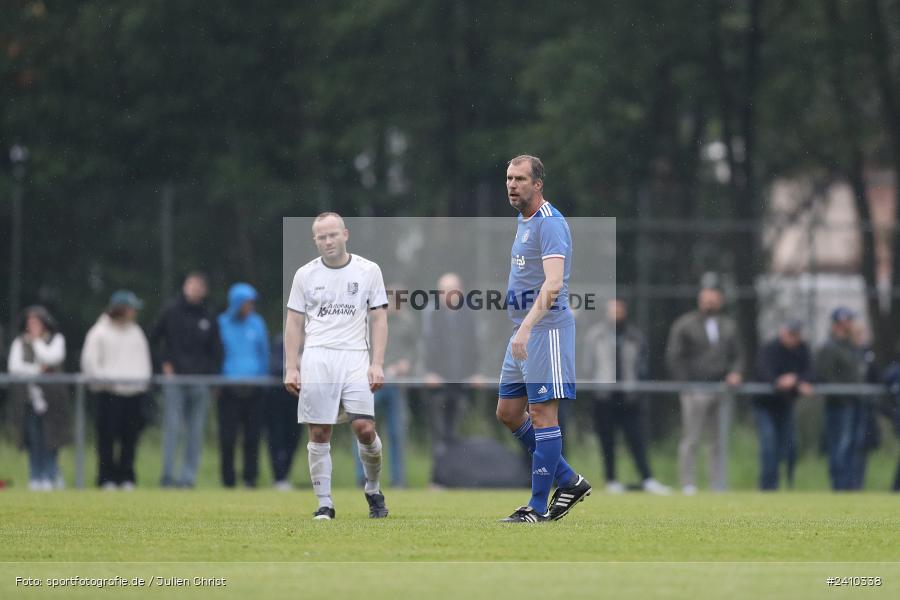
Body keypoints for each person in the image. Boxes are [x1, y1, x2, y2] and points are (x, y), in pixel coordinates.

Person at [494, 155, 591, 523]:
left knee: (542, 415)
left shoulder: (550, 223)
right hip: (524, 332)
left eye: (520, 178)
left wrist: (527, 326)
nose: (512, 184)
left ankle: (535, 507)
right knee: (508, 412)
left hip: (545, 331)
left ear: (538, 184)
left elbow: (553, 284)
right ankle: (567, 479)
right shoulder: (524, 220)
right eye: (508, 178)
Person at [284, 212, 390, 519]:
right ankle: (325, 503)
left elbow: (380, 317)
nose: (328, 241)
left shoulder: (368, 270)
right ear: (315, 240)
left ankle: (372, 487)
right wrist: (292, 367)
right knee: (319, 431)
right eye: (322, 237)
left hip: (356, 354)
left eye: (333, 235)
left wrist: (377, 363)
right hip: (317, 356)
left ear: (345, 234)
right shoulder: (305, 275)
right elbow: (294, 320)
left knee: (364, 427)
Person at [582, 298, 670, 495]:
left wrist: (637, 385)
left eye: (619, 310)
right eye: (613, 310)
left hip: (630, 398)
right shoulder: (596, 335)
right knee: (607, 441)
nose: (616, 314)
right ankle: (611, 479)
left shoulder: (634, 336)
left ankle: (647, 478)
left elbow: (643, 365)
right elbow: (588, 365)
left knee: (637, 439)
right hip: (604, 397)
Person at [666, 284, 745, 494]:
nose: (710, 303)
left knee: (718, 440)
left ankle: (717, 483)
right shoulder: (685, 324)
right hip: (695, 389)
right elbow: (675, 356)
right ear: (700, 300)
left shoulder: (728, 326)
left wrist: (736, 372)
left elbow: (738, 355)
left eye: (714, 299)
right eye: (706, 299)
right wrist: (685, 383)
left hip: (721, 389)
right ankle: (688, 483)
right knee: (691, 438)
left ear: (720, 301)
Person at [150, 271, 222, 488]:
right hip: (174, 381)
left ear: (204, 290)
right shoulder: (170, 311)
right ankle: (168, 477)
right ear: (184, 286)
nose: (194, 289)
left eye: (199, 286)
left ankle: (187, 479)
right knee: (172, 429)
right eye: (191, 285)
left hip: (200, 382)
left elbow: (216, 350)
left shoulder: (208, 315)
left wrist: (211, 376)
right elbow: (153, 338)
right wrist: (164, 363)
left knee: (195, 432)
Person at [80, 290, 152, 490]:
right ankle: (106, 478)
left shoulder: (136, 332)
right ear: (121, 309)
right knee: (106, 439)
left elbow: (144, 362)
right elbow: (90, 363)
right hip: (108, 394)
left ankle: (127, 477)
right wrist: (108, 381)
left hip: (133, 394)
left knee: (130, 439)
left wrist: (141, 384)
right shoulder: (99, 332)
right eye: (131, 308)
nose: (135, 312)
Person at [353, 283, 416, 488]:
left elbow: (416, 350)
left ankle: (398, 479)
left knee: (397, 432)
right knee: (363, 428)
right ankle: (361, 477)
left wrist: (408, 363)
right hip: (371, 383)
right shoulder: (369, 321)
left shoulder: (407, 323)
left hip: (396, 384)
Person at [422, 273, 479, 487]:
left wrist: (475, 372)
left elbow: (474, 345)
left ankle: (456, 478)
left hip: (461, 384)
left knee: (456, 433)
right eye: (444, 290)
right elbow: (425, 344)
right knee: (439, 435)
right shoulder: (431, 314)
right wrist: (428, 371)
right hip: (437, 385)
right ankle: (437, 480)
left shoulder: (469, 315)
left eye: (452, 288)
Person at [7, 306, 71, 491]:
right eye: (30, 323)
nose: (33, 326)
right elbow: (15, 367)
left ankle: (52, 474)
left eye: (36, 322)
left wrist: (36, 342)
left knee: (52, 439)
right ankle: (36, 476)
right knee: (34, 439)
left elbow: (51, 358)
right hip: (29, 399)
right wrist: (36, 371)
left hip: (53, 400)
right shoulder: (20, 342)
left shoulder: (55, 339)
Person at [217, 283, 269, 488]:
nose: (250, 306)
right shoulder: (221, 323)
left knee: (253, 437)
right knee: (228, 437)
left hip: (254, 389)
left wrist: (263, 380)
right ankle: (228, 481)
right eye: (247, 302)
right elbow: (216, 354)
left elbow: (263, 353)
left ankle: (250, 479)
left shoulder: (257, 323)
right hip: (228, 389)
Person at [752, 319, 814, 491]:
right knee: (768, 444)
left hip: (785, 405)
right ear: (783, 332)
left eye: (796, 335)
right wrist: (778, 381)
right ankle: (768, 486)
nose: (794, 339)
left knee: (789, 447)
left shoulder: (802, 349)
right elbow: (762, 371)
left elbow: (811, 372)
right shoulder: (770, 349)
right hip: (765, 405)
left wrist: (796, 379)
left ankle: (789, 484)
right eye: (791, 334)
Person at [815, 308, 868, 491]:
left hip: (855, 403)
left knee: (854, 446)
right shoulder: (830, 347)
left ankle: (851, 485)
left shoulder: (851, 346)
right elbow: (826, 376)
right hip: (839, 405)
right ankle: (839, 486)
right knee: (840, 446)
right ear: (841, 323)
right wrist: (846, 392)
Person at [267, 332, 302, 490]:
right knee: (277, 437)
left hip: (299, 399)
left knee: (293, 439)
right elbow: (274, 366)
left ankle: (284, 475)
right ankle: (279, 476)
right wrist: (295, 366)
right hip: (278, 397)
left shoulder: (314, 341)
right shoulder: (281, 341)